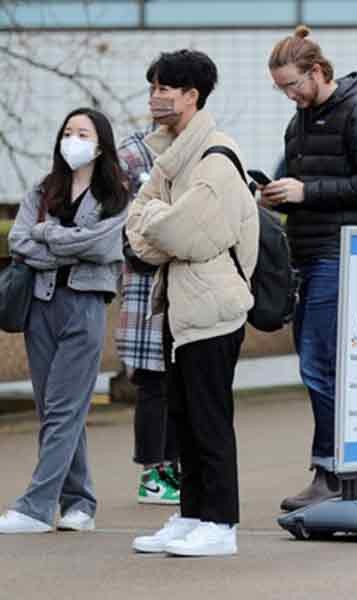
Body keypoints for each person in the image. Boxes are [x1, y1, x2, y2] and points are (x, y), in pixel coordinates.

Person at [127, 50, 259, 557]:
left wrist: (158, 219)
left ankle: (221, 523)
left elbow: (187, 233)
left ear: (192, 95)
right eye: (153, 86)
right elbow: (138, 226)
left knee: (209, 418)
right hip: (179, 303)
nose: (155, 96)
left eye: (165, 87)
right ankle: (193, 512)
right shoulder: (172, 156)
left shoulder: (216, 156)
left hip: (212, 304)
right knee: (181, 417)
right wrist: (160, 219)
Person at [265, 26, 357, 511]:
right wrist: (277, 193)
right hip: (311, 250)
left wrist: (305, 193)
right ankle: (356, 463)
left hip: (343, 253)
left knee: (318, 362)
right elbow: (302, 182)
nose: (290, 96)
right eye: (281, 89)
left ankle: (332, 468)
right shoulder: (299, 122)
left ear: (318, 72)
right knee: (323, 362)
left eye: (293, 85)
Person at [0, 107, 129, 534]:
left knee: (61, 408)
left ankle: (37, 506)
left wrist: (49, 237)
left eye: (83, 132)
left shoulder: (116, 194)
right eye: (68, 131)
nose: (73, 139)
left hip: (85, 305)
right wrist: (64, 243)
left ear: (101, 143)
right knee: (55, 408)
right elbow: (18, 240)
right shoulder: (44, 188)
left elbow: (103, 246)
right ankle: (80, 502)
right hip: (40, 304)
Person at [117, 124, 181, 506]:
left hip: (186, 286)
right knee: (153, 385)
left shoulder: (201, 146)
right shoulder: (132, 155)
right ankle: (153, 472)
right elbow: (127, 229)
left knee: (180, 385)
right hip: (146, 288)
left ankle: (172, 464)